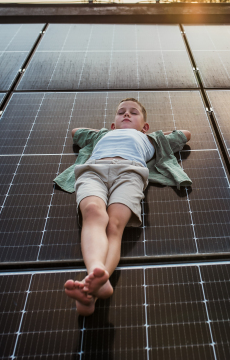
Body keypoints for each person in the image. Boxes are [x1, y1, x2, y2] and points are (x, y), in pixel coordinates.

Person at [54, 98, 191, 316]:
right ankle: (97, 282)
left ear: (145, 126)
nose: (126, 114)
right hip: (93, 170)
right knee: (92, 213)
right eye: (121, 112)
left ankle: (92, 289)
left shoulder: (151, 139)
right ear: (113, 123)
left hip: (130, 172)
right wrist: (107, 130)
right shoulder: (103, 135)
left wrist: (152, 134)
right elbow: (76, 132)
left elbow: (185, 134)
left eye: (133, 113)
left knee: (114, 226)